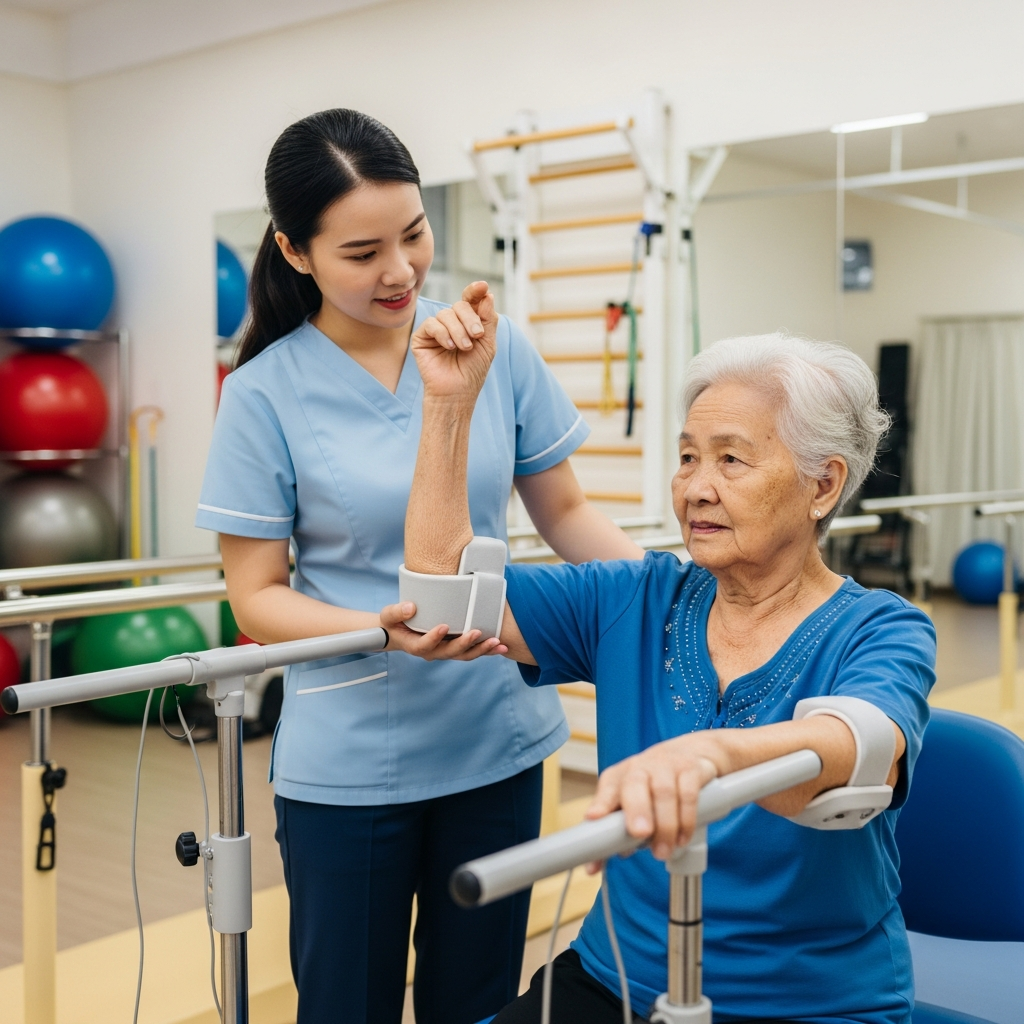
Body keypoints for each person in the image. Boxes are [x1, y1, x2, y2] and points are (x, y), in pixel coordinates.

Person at [195, 108, 642, 1024]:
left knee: (476, 1002)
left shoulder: (491, 342)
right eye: (362, 253)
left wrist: (674, 600)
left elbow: (565, 511)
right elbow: (256, 597)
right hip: (350, 758)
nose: (400, 271)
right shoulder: (261, 395)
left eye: (413, 234)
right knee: (345, 1005)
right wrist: (379, 631)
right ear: (295, 250)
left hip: (497, 736)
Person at [391, 314, 936, 1024]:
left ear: (822, 486)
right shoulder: (635, 596)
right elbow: (441, 598)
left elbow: (861, 747)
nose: (696, 489)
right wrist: (448, 406)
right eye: (687, 458)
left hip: (809, 1003)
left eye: (731, 460)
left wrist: (710, 754)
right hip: (616, 976)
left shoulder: (882, 627)